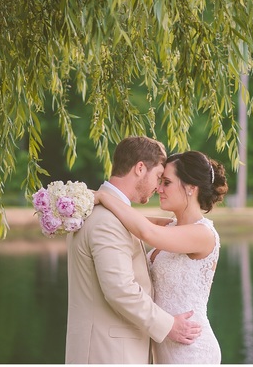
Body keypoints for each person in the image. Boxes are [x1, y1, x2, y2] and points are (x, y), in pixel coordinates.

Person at [65, 136, 202, 364]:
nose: (158, 187)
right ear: (140, 168)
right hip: (108, 353)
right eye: (158, 176)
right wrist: (169, 326)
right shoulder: (107, 221)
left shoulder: (103, 212)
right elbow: (120, 289)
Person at [94, 150, 228, 364]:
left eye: (166, 182)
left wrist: (103, 196)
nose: (158, 189)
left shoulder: (202, 234)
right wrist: (98, 210)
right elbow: (137, 221)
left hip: (190, 348)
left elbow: (147, 232)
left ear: (191, 188)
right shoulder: (172, 226)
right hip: (164, 344)